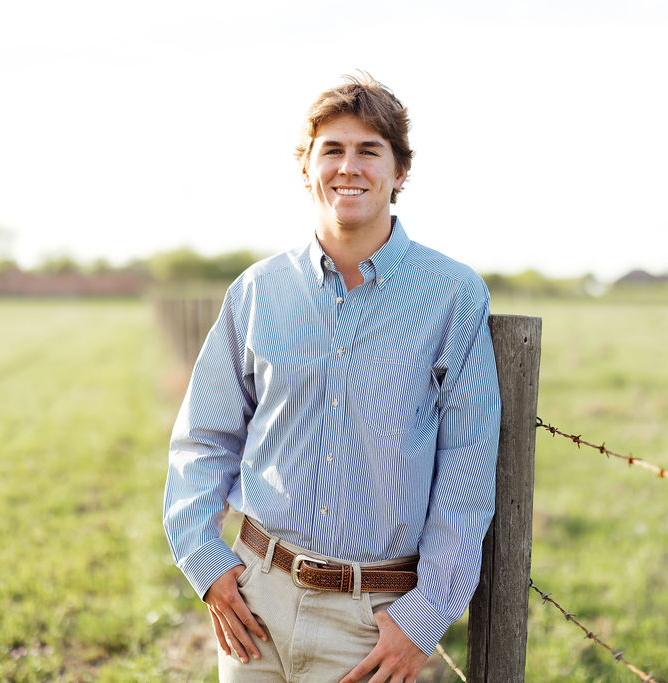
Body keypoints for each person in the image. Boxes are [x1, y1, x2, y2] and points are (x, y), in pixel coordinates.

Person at [163, 72, 501, 682]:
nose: (350, 167)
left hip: (373, 621)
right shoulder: (257, 291)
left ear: (400, 173)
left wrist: (424, 616)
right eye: (332, 149)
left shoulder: (453, 295)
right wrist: (206, 563)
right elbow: (204, 438)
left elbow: (467, 466)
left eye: (370, 150)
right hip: (255, 603)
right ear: (306, 168)